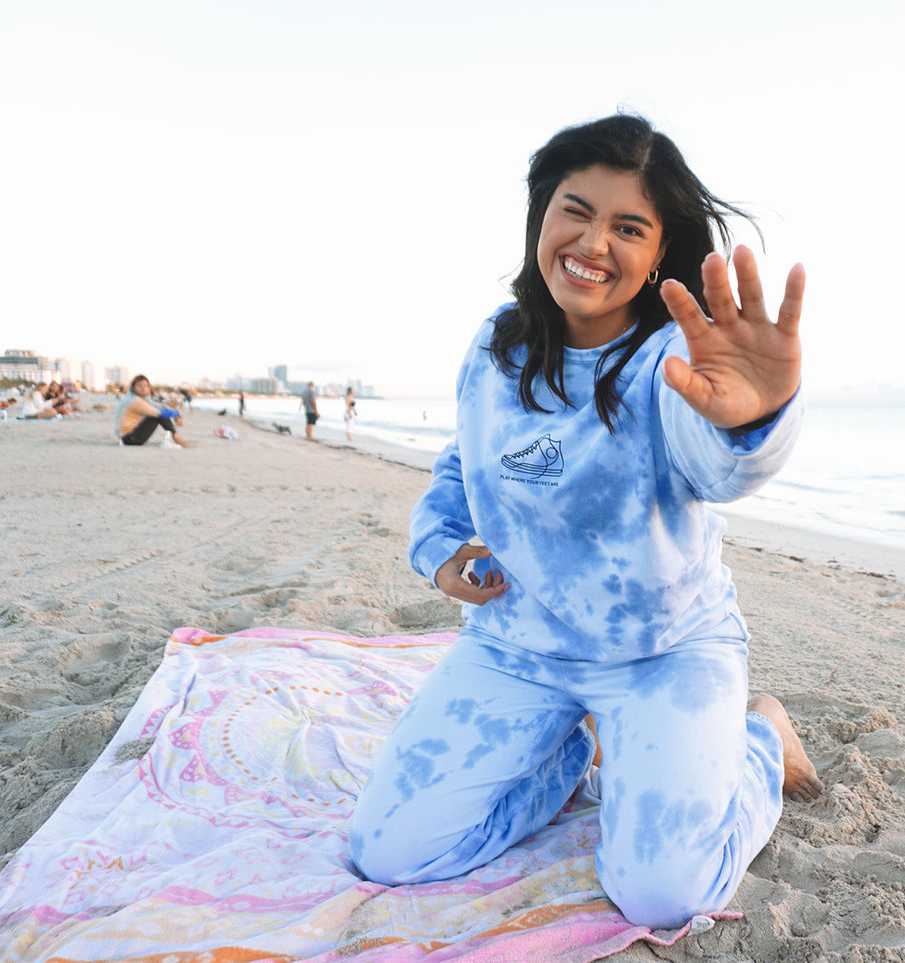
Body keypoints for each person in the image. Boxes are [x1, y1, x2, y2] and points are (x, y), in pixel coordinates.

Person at [348, 114, 821, 929]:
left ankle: (758, 741)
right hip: (517, 644)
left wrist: (754, 416)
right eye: (576, 210)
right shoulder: (498, 343)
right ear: (543, 216)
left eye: (627, 227)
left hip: (662, 653)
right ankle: (570, 749)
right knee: (389, 851)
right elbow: (463, 464)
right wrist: (440, 551)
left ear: (657, 254)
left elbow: (716, 467)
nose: (593, 241)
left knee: (663, 893)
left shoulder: (672, 358)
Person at [115, 374, 191, 447]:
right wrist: (176, 414)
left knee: (159, 412)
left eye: (145, 386)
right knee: (158, 415)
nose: (143, 388)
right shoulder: (135, 401)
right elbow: (159, 413)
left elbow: (157, 405)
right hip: (130, 439)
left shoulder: (136, 397)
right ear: (133, 387)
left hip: (126, 437)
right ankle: (177, 438)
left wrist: (176, 414)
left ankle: (176, 437)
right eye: (140, 386)